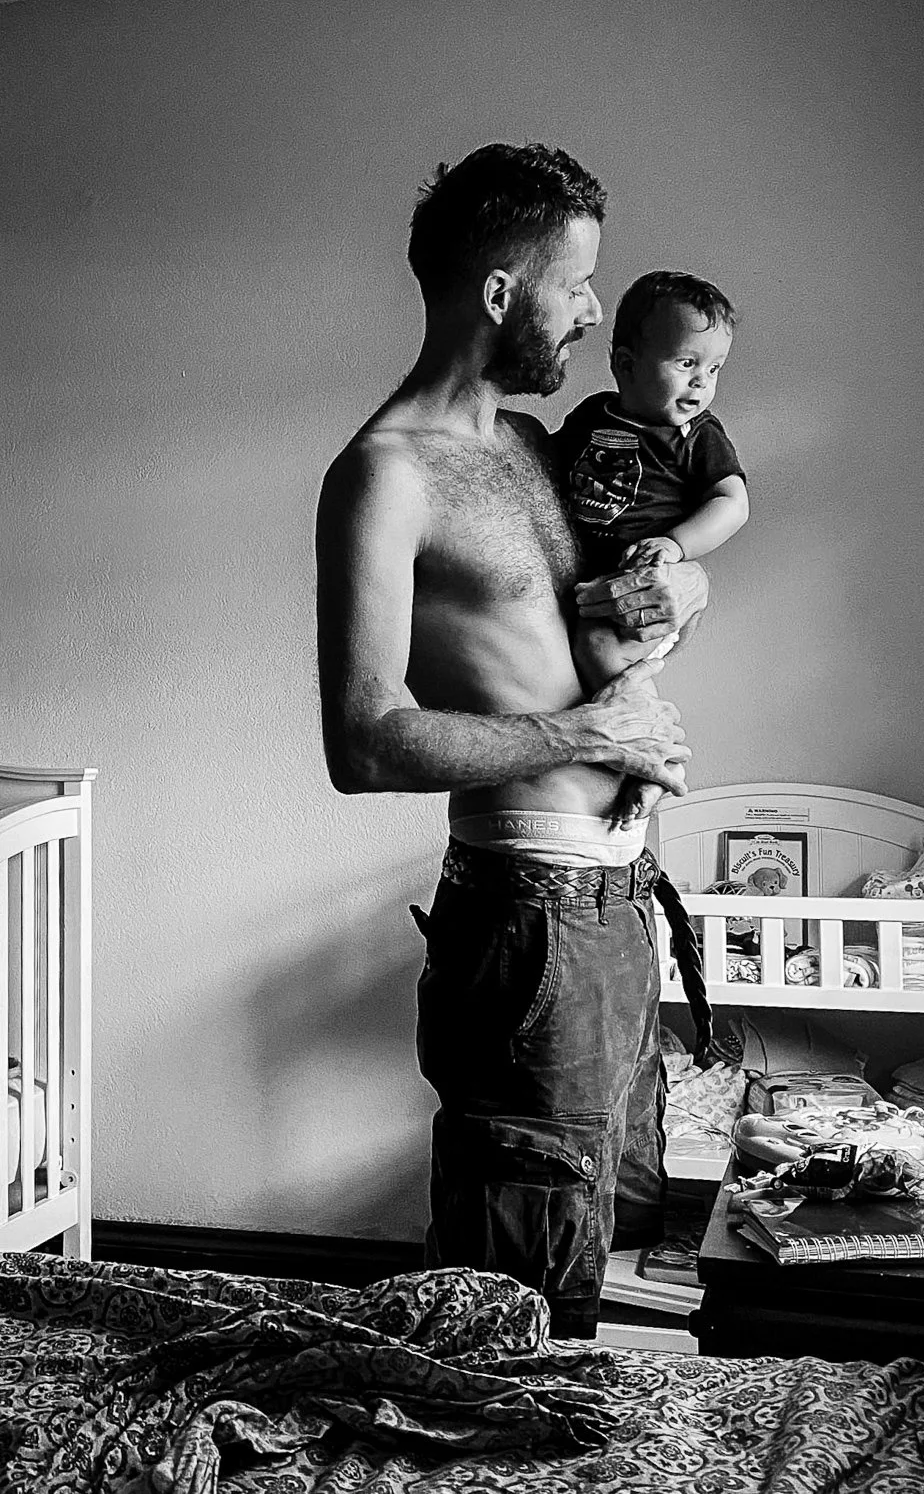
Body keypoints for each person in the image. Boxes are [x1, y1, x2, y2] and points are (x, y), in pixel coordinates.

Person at [315, 142, 712, 1339]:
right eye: (576, 285)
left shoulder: (536, 453)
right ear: (500, 291)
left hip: (613, 903)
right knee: (515, 1289)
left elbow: (611, 620)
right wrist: (584, 730)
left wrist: (677, 588)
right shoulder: (385, 476)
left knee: (600, 1231)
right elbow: (364, 740)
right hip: (527, 916)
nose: (594, 312)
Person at [552, 271, 750, 825]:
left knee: (597, 652)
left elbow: (733, 501)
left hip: (641, 589)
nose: (701, 384)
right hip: (597, 583)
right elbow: (552, 466)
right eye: (687, 364)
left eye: (713, 370)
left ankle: (654, 765)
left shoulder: (698, 435)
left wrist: (677, 545)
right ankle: (637, 753)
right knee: (582, 660)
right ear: (625, 363)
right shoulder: (594, 415)